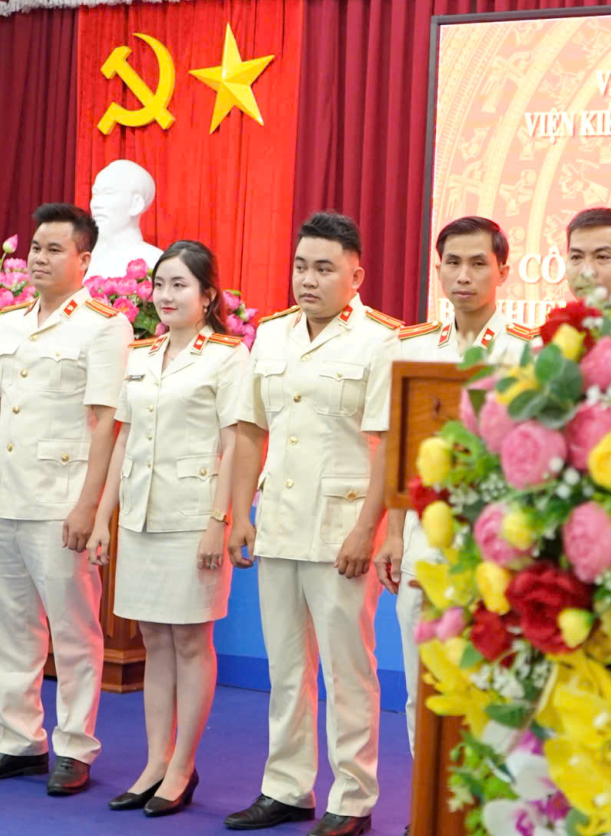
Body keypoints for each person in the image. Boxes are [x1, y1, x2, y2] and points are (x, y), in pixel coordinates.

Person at [0, 203, 132, 794]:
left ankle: (75, 747)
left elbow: (106, 423)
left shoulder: (104, 325)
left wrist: (87, 506)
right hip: (4, 496)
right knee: (8, 630)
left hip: (60, 499)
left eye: (54, 249)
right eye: (35, 248)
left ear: (83, 258)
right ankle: (17, 741)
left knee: (74, 633)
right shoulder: (12, 322)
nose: (40, 258)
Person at [223, 212, 399, 836]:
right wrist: (239, 515)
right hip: (278, 522)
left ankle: (352, 798)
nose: (308, 279)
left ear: (356, 276)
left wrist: (367, 531)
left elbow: (389, 446)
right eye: (301, 266)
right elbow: (250, 430)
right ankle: (286, 788)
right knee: (286, 669)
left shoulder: (382, 341)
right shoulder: (272, 335)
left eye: (324, 269)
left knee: (348, 671)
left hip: (342, 529)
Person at [86, 240, 248, 818]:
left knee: (190, 640)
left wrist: (218, 522)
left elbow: (235, 443)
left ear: (208, 295)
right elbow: (123, 439)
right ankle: (156, 761)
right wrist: (103, 518)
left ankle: (183, 765)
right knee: (154, 639)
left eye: (180, 284)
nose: (166, 295)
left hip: (193, 516)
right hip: (142, 516)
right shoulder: (141, 353)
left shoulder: (227, 356)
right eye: (160, 284)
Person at [375, 216, 535, 754]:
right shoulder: (412, 348)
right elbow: (400, 450)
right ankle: (426, 797)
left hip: (499, 545)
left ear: (503, 271)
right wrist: (392, 535)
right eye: (453, 263)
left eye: (478, 263)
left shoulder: (528, 351)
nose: (463, 275)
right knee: (424, 688)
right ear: (438, 269)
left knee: (495, 688)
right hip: (425, 541)